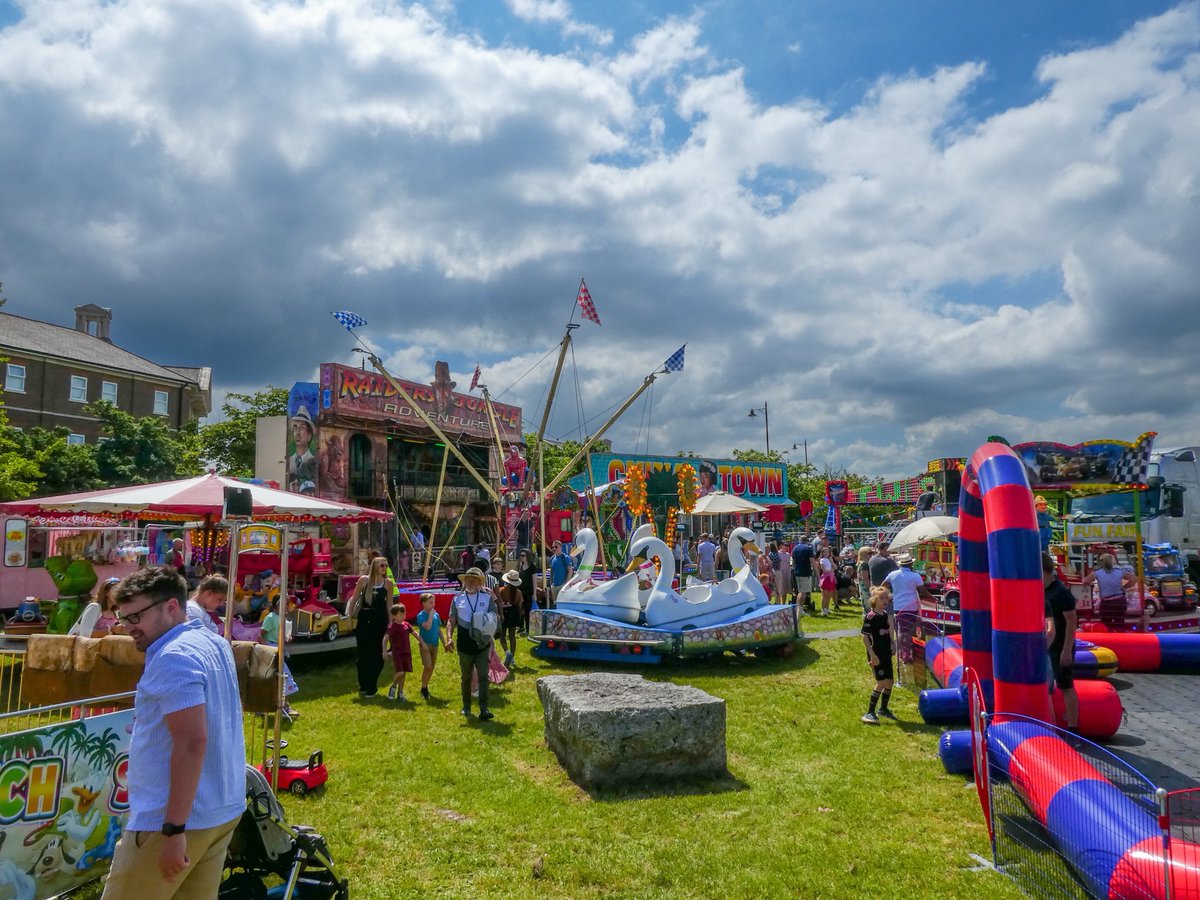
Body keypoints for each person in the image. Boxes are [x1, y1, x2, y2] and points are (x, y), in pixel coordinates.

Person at [102, 567, 244, 898]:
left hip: (173, 822)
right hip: (218, 811)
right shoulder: (214, 642)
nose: (129, 628)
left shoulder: (172, 655)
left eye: (136, 616)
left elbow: (192, 741)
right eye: (124, 618)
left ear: (171, 606)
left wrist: (173, 829)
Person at [447, 567, 498, 720]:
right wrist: (449, 637)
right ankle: (466, 707)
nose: (470, 581)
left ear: (479, 582)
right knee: (466, 677)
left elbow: (494, 619)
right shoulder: (457, 599)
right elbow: (451, 620)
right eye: (468, 579)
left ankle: (484, 709)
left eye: (473, 579)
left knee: (483, 676)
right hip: (464, 644)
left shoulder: (487, 598)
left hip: (482, 644)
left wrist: (490, 638)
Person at [1043, 553, 1078, 731]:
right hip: (1049, 646)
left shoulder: (1060, 592)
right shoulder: (1044, 590)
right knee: (1050, 687)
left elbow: (1072, 622)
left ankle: (1073, 728)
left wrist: (1067, 649)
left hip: (1061, 645)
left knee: (1066, 686)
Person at [350, 557, 394, 696]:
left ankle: (372, 685)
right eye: (381, 565)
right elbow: (354, 598)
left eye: (386, 565)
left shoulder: (388, 584)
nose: (384, 568)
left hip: (380, 620)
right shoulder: (364, 580)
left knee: (378, 654)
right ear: (375, 566)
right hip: (364, 620)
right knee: (363, 654)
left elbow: (389, 605)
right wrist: (349, 616)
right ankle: (363, 684)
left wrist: (391, 623)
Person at [883, 552, 934, 668]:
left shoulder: (892, 575)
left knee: (901, 631)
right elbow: (923, 592)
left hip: (898, 607)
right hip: (912, 607)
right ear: (911, 564)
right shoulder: (915, 576)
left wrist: (889, 597)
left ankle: (904, 653)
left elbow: (883, 586)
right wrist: (934, 599)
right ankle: (906, 654)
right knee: (910, 631)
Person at [860, 586, 895, 724]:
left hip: (886, 653)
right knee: (880, 683)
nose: (885, 600)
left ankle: (883, 709)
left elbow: (887, 632)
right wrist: (872, 654)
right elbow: (864, 637)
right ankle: (869, 712)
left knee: (890, 682)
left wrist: (893, 643)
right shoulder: (871, 617)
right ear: (874, 600)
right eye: (881, 598)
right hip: (876, 654)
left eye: (886, 597)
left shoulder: (885, 615)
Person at [260, 598, 300, 720]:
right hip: (272, 649)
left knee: (276, 677)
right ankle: (283, 707)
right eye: (285, 604)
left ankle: (267, 706)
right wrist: (266, 647)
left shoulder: (282, 618)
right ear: (278, 605)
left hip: (278, 647)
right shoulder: (271, 617)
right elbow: (262, 633)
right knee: (283, 676)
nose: (287, 607)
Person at [1083, 553, 1134, 629]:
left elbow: (1085, 581)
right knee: (1120, 624)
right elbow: (1133, 579)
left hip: (1106, 603)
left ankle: (1108, 639)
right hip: (1120, 601)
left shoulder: (1097, 573)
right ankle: (1120, 639)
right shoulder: (1120, 571)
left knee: (1106, 625)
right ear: (1113, 562)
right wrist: (1124, 587)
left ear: (1102, 562)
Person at [415, 592, 449, 700]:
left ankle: (425, 686)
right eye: (430, 603)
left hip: (435, 644)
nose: (433, 605)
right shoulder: (421, 616)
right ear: (423, 603)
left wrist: (444, 643)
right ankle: (424, 688)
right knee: (428, 666)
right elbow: (428, 627)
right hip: (425, 645)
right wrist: (430, 614)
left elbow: (438, 630)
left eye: (434, 602)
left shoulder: (436, 615)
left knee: (431, 668)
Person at [384, 604, 415, 701]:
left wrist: (422, 642)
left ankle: (400, 692)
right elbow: (385, 638)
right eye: (400, 615)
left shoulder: (406, 625)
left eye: (404, 614)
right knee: (400, 672)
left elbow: (415, 633)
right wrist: (385, 651)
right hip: (397, 653)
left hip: (406, 652)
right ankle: (393, 687)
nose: (403, 616)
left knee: (404, 673)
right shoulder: (392, 627)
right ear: (394, 616)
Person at [497, 569, 523, 668]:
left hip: (504, 614)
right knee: (512, 636)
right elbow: (520, 607)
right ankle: (512, 656)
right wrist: (519, 617)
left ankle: (507, 652)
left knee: (502, 636)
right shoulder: (519, 593)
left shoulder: (501, 590)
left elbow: (498, 602)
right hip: (514, 614)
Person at [791, 535, 815, 611]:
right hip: (805, 572)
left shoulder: (794, 549)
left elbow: (793, 562)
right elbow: (812, 562)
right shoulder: (808, 548)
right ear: (807, 541)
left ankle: (798, 608)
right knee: (803, 592)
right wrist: (817, 572)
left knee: (799, 591)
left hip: (796, 572)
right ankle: (800, 609)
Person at [517, 548, 537, 633]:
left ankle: (528, 629)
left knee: (527, 611)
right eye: (520, 556)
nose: (521, 557)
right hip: (520, 591)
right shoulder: (520, 566)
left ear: (527, 556)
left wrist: (535, 593)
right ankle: (521, 627)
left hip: (529, 591)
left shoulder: (532, 567)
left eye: (523, 556)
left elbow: (534, 581)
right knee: (519, 609)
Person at [549, 541, 573, 608]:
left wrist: (566, 584)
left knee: (563, 604)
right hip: (554, 586)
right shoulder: (552, 559)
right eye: (553, 547)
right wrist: (551, 584)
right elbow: (551, 572)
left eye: (556, 547)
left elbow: (570, 571)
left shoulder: (566, 558)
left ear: (561, 547)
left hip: (562, 585)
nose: (554, 548)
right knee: (555, 604)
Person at [817, 546, 838, 616]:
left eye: (827, 552)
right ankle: (823, 609)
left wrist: (831, 561)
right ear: (822, 553)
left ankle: (827, 608)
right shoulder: (822, 560)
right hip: (825, 578)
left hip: (831, 578)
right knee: (825, 595)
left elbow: (835, 567)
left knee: (829, 594)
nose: (826, 553)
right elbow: (824, 570)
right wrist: (831, 570)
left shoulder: (830, 559)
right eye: (825, 552)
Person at [856, 546, 874, 614]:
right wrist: (870, 588)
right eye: (869, 553)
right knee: (868, 605)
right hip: (865, 587)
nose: (871, 555)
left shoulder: (861, 563)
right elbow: (865, 578)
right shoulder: (864, 564)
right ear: (864, 554)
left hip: (862, 586)